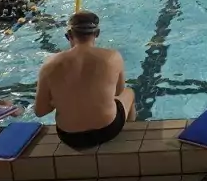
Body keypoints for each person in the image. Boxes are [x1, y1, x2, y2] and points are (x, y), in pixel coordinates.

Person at [35, 11, 136, 149]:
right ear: (97, 33)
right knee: (129, 93)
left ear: (68, 35)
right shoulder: (112, 56)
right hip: (108, 130)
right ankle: (132, 139)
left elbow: (40, 111)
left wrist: (61, 97)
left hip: (69, 136)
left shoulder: (49, 65)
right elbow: (118, 92)